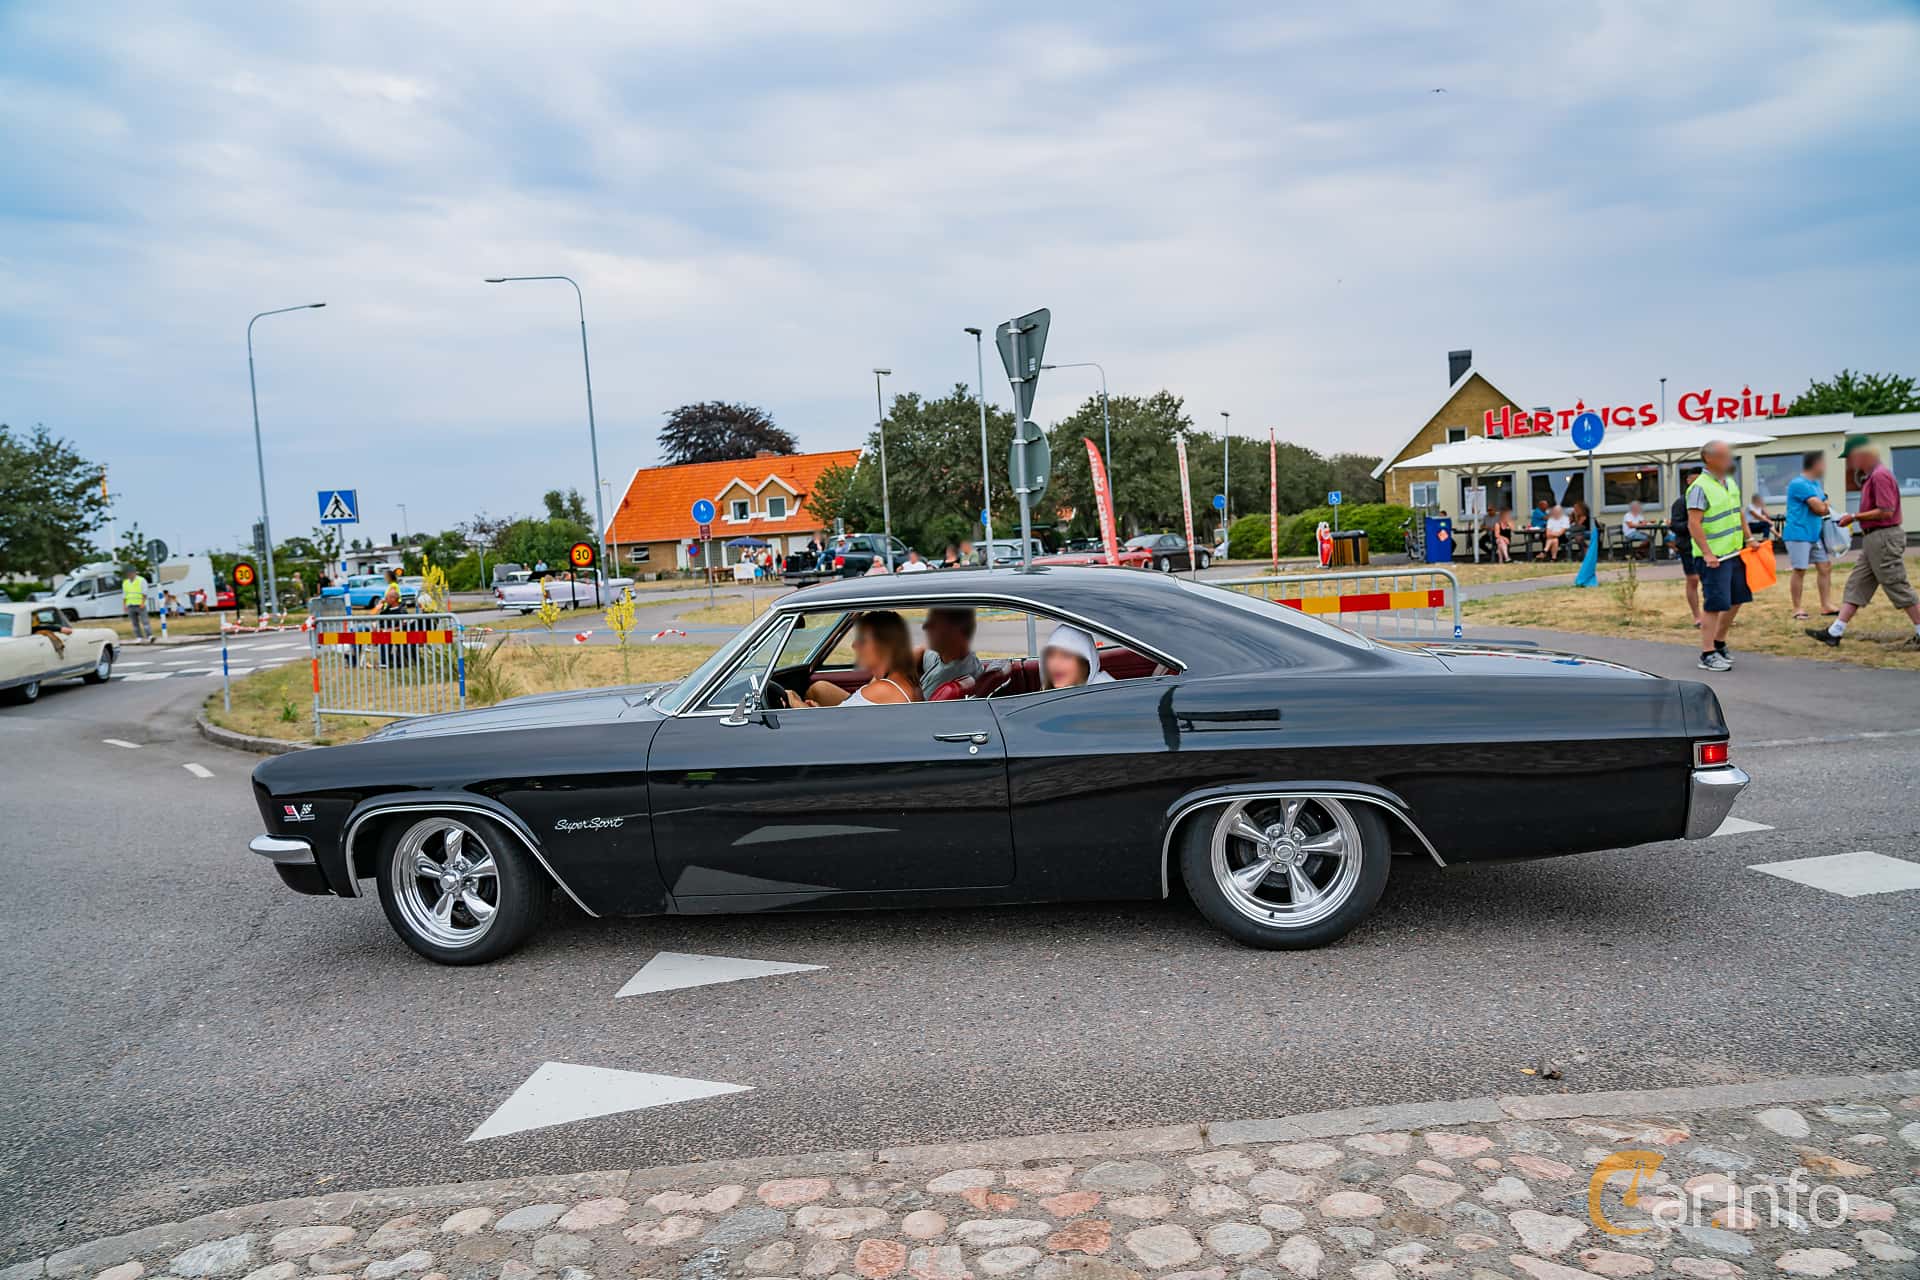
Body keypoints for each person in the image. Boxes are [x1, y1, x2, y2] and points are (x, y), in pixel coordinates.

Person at [1808, 437, 1920, 651]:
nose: (1850, 463)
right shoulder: (1872, 476)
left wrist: (1854, 516)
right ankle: (1835, 632)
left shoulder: (1880, 476)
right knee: (1857, 584)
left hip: (1884, 537)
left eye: (1850, 458)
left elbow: (1886, 510)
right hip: (1873, 538)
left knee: (1897, 584)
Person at [1687, 439, 1749, 671]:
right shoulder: (1699, 487)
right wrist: (1707, 553)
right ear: (1710, 459)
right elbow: (1694, 524)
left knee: (1736, 599)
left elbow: (1738, 512)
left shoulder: (1729, 482)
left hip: (1733, 552)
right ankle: (1707, 653)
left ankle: (1719, 642)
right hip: (1713, 557)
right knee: (1714, 603)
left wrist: (1749, 537)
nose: (1729, 460)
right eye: (1724, 456)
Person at [787, 611, 923, 707]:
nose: (854, 645)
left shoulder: (882, 690)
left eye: (862, 640)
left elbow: (827, 729)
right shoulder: (900, 680)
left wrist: (796, 704)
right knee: (820, 688)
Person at [1783, 450, 1835, 620]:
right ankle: (1797, 608)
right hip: (1798, 533)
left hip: (1814, 534)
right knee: (1800, 570)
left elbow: (1824, 502)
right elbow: (1821, 508)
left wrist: (1823, 503)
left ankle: (1826, 605)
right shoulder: (1799, 483)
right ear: (1816, 464)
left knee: (1825, 567)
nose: (1825, 467)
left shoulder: (1815, 484)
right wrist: (1824, 504)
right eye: (1823, 463)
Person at [916, 607, 982, 696]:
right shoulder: (963, 659)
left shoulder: (943, 681)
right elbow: (923, 651)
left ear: (955, 631)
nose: (925, 626)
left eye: (934, 622)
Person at [1669, 491, 1705, 627]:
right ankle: (1697, 617)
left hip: (1710, 545)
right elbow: (1675, 525)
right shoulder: (1681, 502)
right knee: (1693, 579)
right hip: (1688, 547)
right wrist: (1693, 524)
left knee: (1711, 581)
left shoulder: (1709, 498)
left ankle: (1713, 615)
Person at [1042, 624, 1115, 688]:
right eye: (1051, 655)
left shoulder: (1107, 694)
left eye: (1066, 656)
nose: (1055, 663)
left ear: (1085, 663)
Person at [120, 566, 151, 643]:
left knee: (145, 621)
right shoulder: (125, 582)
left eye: (130, 573)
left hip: (140, 604)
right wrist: (124, 605)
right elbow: (124, 595)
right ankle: (139, 637)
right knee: (134, 623)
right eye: (128, 573)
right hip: (130, 604)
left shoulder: (141, 580)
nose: (129, 575)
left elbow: (144, 592)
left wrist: (143, 603)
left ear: (134, 573)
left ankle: (149, 636)